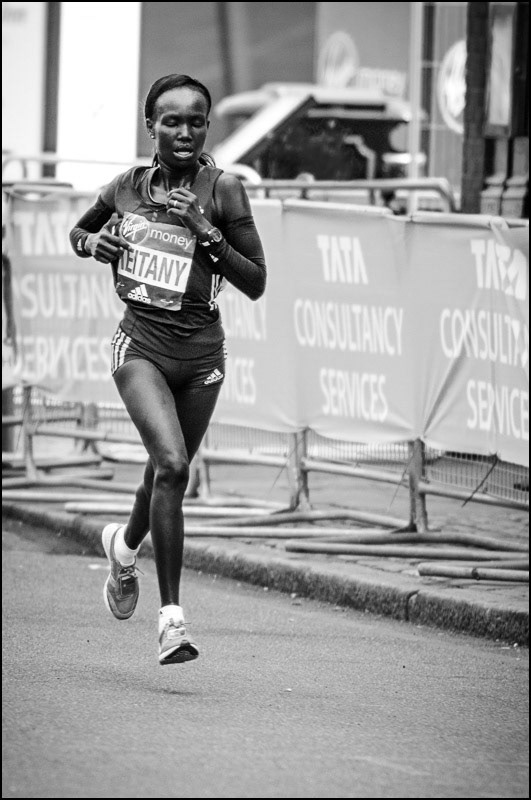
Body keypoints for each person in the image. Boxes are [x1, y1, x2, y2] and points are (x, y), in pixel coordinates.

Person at [69, 74, 267, 665]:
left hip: (202, 356)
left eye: (196, 121)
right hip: (141, 348)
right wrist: (92, 244)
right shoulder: (126, 187)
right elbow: (80, 229)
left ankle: (123, 550)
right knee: (174, 464)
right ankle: (172, 622)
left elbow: (255, 282)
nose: (184, 132)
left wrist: (205, 231)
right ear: (149, 124)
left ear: (207, 126)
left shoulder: (224, 190)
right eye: (171, 120)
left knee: (166, 471)